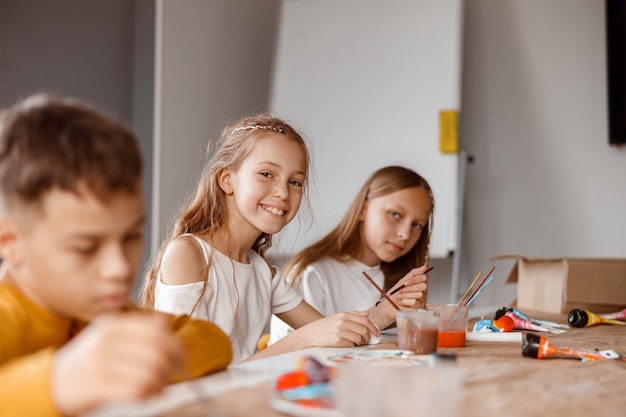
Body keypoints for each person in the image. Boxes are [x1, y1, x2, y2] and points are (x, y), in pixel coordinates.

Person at [0, 93, 232, 417]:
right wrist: (58, 382)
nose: (120, 268)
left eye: (131, 236)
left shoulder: (102, 312)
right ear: (10, 242)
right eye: (86, 247)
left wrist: (146, 365)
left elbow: (214, 338)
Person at [140, 114, 426, 363]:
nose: (282, 192)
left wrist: (389, 309)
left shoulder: (263, 272)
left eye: (295, 182)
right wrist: (301, 340)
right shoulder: (187, 254)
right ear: (227, 180)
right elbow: (190, 377)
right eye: (267, 174)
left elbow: (336, 332)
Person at [270, 165, 434, 344]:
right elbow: (299, 353)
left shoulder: (400, 278)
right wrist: (382, 314)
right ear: (363, 209)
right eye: (395, 214)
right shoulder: (312, 274)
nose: (405, 234)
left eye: (417, 225)